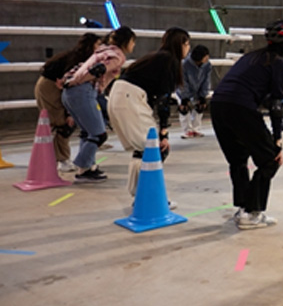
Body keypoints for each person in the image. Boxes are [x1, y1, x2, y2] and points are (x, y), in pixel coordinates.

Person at [210, 20, 283, 230]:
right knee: (269, 161)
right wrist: (277, 140)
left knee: (238, 160)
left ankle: (242, 209)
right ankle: (252, 212)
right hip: (240, 107)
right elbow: (277, 103)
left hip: (218, 105)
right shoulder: (278, 63)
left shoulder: (250, 57)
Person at [108, 27, 190, 200]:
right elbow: (163, 100)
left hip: (120, 95)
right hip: (129, 98)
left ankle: (140, 196)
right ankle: (149, 198)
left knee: (144, 149)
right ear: (180, 44)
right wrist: (164, 132)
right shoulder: (169, 62)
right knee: (153, 148)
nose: (188, 48)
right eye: (187, 44)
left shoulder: (158, 58)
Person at [61, 27, 137, 183]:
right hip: (83, 91)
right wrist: (78, 80)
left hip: (70, 93)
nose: (134, 45)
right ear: (127, 41)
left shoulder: (102, 50)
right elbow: (97, 70)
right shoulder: (117, 56)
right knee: (98, 134)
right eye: (133, 41)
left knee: (87, 132)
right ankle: (82, 167)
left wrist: (70, 80)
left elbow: (84, 66)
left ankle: (88, 168)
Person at [34, 32, 101, 171]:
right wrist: (69, 112)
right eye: (98, 44)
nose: (101, 47)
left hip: (50, 85)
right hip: (50, 87)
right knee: (63, 124)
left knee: (66, 123)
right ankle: (62, 160)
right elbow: (67, 83)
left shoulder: (79, 56)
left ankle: (61, 158)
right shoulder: (79, 59)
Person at [177, 44, 211, 138]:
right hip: (183, 90)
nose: (207, 58)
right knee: (184, 109)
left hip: (198, 89)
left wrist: (203, 95)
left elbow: (206, 80)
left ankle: (196, 129)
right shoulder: (184, 64)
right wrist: (185, 97)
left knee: (199, 108)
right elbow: (183, 82)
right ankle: (187, 130)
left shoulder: (207, 65)